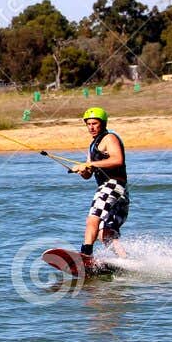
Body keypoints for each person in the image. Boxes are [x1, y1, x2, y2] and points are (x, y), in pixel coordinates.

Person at [72, 106, 128, 260]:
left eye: (95, 123)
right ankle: (126, 261)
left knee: (93, 218)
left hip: (112, 186)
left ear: (102, 123)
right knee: (106, 234)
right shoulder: (92, 146)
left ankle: (85, 253)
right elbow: (88, 175)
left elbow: (117, 160)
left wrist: (92, 165)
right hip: (117, 191)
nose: (91, 127)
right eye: (88, 124)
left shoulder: (109, 138)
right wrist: (83, 170)